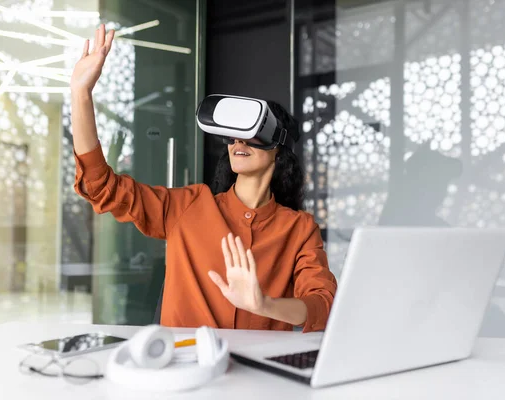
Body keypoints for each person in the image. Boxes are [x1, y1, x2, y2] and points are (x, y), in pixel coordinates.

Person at [69, 25, 337, 332]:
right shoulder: (188, 206)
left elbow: (323, 305)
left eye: (253, 132)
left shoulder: (299, 229)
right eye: (233, 134)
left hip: (258, 375)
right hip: (185, 366)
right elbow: (101, 186)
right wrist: (81, 93)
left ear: (279, 147)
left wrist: (264, 305)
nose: (239, 141)